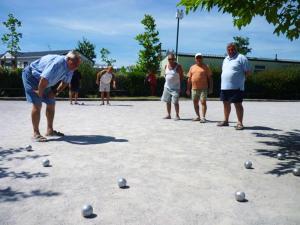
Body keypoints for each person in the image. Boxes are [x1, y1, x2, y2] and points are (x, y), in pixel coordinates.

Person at [21, 50, 81, 142]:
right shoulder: (57, 63)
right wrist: (39, 94)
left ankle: (50, 130)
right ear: (68, 59)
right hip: (31, 76)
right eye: (75, 63)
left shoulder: (71, 68)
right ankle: (36, 133)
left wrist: (55, 92)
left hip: (44, 81)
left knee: (51, 102)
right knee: (37, 104)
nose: (77, 66)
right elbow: (43, 79)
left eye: (78, 64)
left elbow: (65, 82)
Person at [217, 43, 251, 130]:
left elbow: (248, 72)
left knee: (238, 104)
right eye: (229, 50)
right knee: (225, 104)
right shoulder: (225, 59)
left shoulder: (241, 58)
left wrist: (242, 81)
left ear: (236, 49)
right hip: (224, 87)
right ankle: (226, 121)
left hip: (237, 87)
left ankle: (240, 123)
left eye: (232, 49)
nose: (230, 51)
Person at [186, 53, 213, 123]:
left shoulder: (206, 67)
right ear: (195, 59)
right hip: (194, 88)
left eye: (200, 57)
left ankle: (203, 117)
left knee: (203, 102)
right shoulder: (192, 67)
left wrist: (210, 88)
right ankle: (198, 116)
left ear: (202, 58)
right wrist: (188, 89)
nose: (199, 59)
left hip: (204, 88)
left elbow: (210, 78)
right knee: (195, 103)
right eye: (197, 58)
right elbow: (189, 79)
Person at [161, 53, 184, 120]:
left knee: (175, 102)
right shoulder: (166, 66)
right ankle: (168, 115)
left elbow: (182, 77)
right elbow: (165, 75)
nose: (170, 60)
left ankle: (177, 115)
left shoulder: (178, 66)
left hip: (176, 88)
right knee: (167, 101)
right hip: (167, 87)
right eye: (169, 59)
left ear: (174, 59)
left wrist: (180, 86)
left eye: (172, 59)